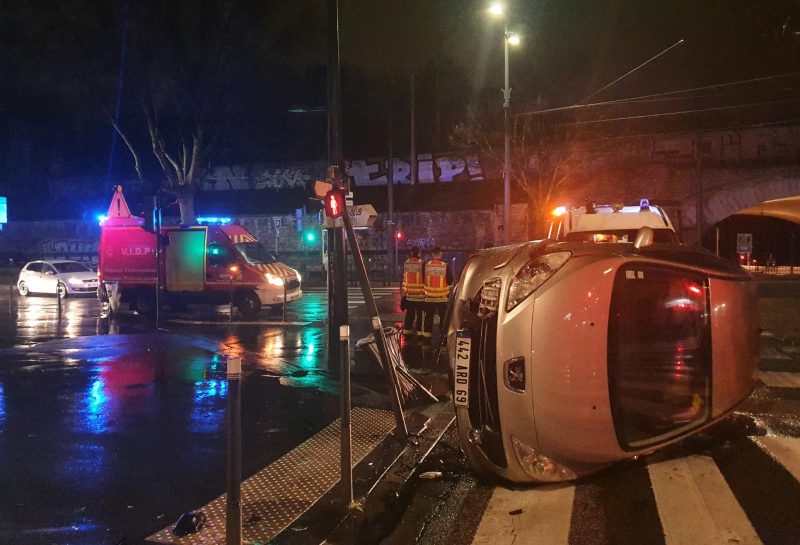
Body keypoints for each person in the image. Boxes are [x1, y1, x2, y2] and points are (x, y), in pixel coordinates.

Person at [422, 247, 453, 341]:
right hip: (442, 298)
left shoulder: (426, 265)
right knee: (443, 317)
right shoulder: (445, 266)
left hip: (430, 297)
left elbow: (423, 278)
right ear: (440, 254)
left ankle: (427, 337)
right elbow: (450, 280)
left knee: (428, 317)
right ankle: (443, 337)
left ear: (432, 254)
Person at [401, 246, 426, 337]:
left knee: (410, 314)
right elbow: (425, 279)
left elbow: (404, 277)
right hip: (420, 295)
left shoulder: (406, 263)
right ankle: (419, 332)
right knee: (420, 315)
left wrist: (405, 290)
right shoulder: (422, 264)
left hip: (409, 294)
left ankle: (407, 331)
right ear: (419, 253)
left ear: (411, 253)